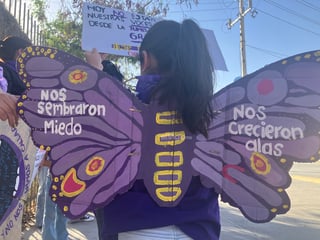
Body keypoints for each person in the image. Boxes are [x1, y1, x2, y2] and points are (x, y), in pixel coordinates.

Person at [94, 19, 219, 240]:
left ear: (145, 59)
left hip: (134, 225)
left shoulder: (126, 108)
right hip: (198, 229)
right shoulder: (210, 113)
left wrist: (94, 73)